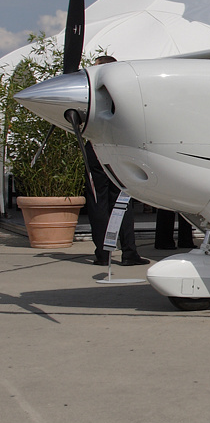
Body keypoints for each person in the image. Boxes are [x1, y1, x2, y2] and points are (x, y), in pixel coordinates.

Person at [83, 56, 147, 266]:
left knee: (98, 202)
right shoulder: (124, 92)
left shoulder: (92, 93)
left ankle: (103, 254)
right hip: (119, 148)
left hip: (97, 146)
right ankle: (129, 252)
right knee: (121, 202)